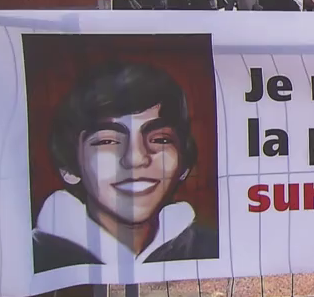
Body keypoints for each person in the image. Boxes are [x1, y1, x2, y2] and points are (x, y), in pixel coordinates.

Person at [31, 62, 219, 271]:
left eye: (160, 140)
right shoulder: (35, 256)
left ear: (183, 163)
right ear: (69, 167)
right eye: (107, 141)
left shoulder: (208, 247)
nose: (136, 158)